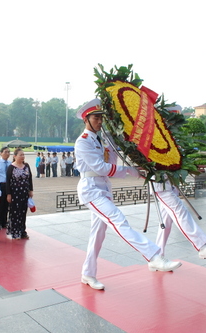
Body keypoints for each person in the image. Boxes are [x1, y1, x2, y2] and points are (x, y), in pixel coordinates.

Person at [75, 99, 181, 290]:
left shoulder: (100, 139)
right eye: (96, 118)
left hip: (103, 189)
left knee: (97, 234)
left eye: (101, 118)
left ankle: (88, 274)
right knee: (118, 220)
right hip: (91, 190)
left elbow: (112, 159)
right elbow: (101, 167)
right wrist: (132, 171)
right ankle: (154, 256)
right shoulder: (82, 142)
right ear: (86, 120)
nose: (100, 121)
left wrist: (115, 143)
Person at [152, 180, 206, 260]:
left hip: (169, 183)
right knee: (181, 212)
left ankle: (157, 257)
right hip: (160, 185)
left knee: (165, 222)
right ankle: (202, 247)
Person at [6, 148, 33, 239]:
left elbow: (30, 179)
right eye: (20, 155)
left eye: (23, 155)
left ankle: (22, 231)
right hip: (15, 194)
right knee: (15, 213)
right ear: (15, 156)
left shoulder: (26, 166)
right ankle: (15, 231)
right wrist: (8, 194)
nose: (22, 156)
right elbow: (8, 181)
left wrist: (30, 190)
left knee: (23, 212)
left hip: (24, 193)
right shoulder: (11, 167)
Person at [0, 147, 11, 230]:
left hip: (8, 186)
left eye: (8, 152)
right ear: (1, 153)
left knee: (6, 204)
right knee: (0, 204)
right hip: (0, 185)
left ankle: (4, 222)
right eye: (5, 152)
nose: (7, 153)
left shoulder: (11, 163)